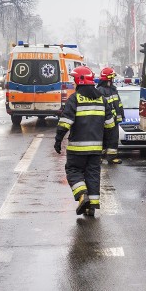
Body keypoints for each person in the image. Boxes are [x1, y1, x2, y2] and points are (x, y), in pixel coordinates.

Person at [55, 66, 116, 216]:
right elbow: (110, 125)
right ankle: (91, 208)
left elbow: (64, 123)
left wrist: (58, 140)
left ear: (79, 80)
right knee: (93, 174)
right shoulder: (101, 99)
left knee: (73, 170)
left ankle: (82, 195)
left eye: (74, 80)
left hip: (77, 149)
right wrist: (106, 146)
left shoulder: (75, 99)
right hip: (96, 149)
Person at [97, 67, 125, 164]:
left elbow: (118, 104)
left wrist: (121, 114)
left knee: (113, 138)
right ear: (107, 79)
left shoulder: (113, 89)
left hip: (114, 120)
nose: (113, 80)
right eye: (111, 78)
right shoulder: (100, 90)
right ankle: (99, 157)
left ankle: (112, 157)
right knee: (103, 138)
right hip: (104, 120)